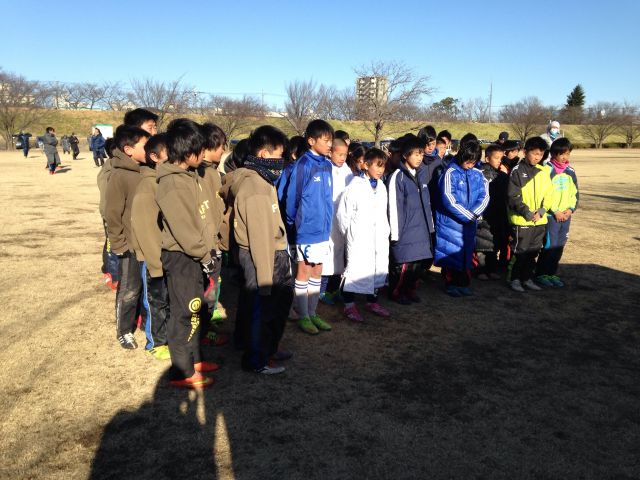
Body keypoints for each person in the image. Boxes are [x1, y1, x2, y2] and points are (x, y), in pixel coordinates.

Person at [156, 118, 219, 388]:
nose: (204, 154)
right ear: (186, 150)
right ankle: (182, 371)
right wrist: (204, 255)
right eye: (199, 149)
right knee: (184, 312)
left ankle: (193, 360)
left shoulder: (190, 176)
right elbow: (184, 228)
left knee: (195, 308)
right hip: (182, 256)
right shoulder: (173, 183)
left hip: (195, 254)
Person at [227, 125, 293, 374]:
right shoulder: (255, 187)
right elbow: (260, 237)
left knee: (255, 305)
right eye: (279, 154)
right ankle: (257, 358)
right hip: (264, 255)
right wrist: (266, 278)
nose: (282, 160)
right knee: (264, 308)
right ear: (264, 154)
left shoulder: (261, 179)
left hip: (265, 252)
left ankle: (257, 346)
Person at [277, 119, 334, 335]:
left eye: (331, 140)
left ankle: (312, 312)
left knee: (318, 270)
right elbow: (292, 199)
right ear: (311, 141)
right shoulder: (303, 165)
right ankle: (303, 315)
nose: (329, 144)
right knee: (304, 270)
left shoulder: (327, 165)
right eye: (325, 140)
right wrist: (295, 224)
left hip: (323, 230)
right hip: (305, 230)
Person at [105, 125, 151, 349]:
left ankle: (143, 320)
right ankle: (123, 330)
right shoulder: (118, 175)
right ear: (128, 149)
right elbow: (112, 213)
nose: (149, 150)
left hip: (147, 243)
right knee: (129, 288)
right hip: (129, 245)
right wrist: (119, 244)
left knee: (145, 287)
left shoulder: (146, 171)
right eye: (145, 146)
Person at [336, 147, 391, 321]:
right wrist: (351, 234)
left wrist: (385, 231)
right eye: (377, 165)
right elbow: (343, 215)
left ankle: (372, 301)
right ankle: (349, 305)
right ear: (366, 165)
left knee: (377, 269)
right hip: (359, 238)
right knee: (355, 270)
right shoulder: (355, 187)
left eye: (383, 166)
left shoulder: (382, 187)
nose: (381, 170)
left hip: (378, 237)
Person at [130, 134, 171, 360]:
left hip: (165, 254)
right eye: (170, 152)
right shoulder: (148, 186)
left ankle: (166, 337)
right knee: (155, 300)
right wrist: (155, 262)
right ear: (155, 157)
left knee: (166, 299)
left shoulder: (165, 181)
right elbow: (146, 229)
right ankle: (155, 342)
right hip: (153, 257)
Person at [434, 139, 489, 297]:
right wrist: (467, 215)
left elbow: (484, 196)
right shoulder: (450, 173)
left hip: (469, 224)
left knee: (466, 253)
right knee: (451, 254)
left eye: (473, 162)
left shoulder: (478, 174)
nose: (470, 165)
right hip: (451, 224)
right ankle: (451, 283)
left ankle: (463, 283)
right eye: (468, 161)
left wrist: (474, 214)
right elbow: (449, 199)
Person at [387, 135, 435, 304]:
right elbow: (394, 206)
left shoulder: (421, 175)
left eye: (421, 154)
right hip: (405, 232)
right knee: (404, 267)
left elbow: (427, 204)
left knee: (416, 266)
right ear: (405, 155)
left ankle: (410, 290)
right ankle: (397, 292)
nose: (419, 157)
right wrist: (395, 234)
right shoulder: (397, 177)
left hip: (421, 230)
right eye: (415, 154)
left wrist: (430, 227)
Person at [507, 136, 553, 293]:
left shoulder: (544, 171)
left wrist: (542, 210)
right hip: (522, 220)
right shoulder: (517, 171)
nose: (537, 157)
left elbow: (549, 194)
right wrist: (526, 212)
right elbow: (513, 196)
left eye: (541, 154)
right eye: (535, 153)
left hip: (539, 221)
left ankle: (527, 278)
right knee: (520, 252)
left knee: (533, 252)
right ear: (525, 152)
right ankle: (514, 279)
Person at [198, 122, 228, 346]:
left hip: (215, 239)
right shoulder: (204, 174)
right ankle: (203, 330)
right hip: (208, 242)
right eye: (221, 147)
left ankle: (206, 324)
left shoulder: (213, 171)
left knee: (212, 284)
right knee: (207, 286)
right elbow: (207, 212)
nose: (223, 151)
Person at [535, 138, 579, 287]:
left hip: (566, 216)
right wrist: (555, 210)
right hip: (551, 216)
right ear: (554, 154)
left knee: (560, 246)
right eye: (562, 154)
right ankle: (541, 274)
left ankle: (551, 273)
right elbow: (543, 195)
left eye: (568, 154)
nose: (565, 157)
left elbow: (575, 193)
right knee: (550, 245)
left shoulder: (570, 171)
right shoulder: (546, 170)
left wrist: (570, 209)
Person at [320, 137, 352, 305]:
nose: (342, 158)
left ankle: (335, 289)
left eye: (345, 155)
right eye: (339, 154)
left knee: (339, 256)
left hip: (342, 219)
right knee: (327, 256)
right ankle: (322, 291)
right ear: (330, 152)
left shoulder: (347, 170)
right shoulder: (325, 168)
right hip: (328, 218)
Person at [475, 144, 509, 280]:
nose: (499, 161)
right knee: (481, 246)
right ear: (487, 158)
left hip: (498, 214)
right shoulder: (479, 174)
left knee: (494, 243)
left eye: (501, 158)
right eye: (496, 158)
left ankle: (492, 268)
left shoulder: (502, 176)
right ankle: (480, 270)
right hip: (483, 215)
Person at [97, 138, 120, 290]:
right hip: (111, 215)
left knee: (112, 243)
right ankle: (113, 275)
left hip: (113, 214)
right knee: (112, 245)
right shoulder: (109, 171)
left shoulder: (112, 168)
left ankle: (109, 269)